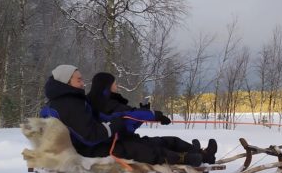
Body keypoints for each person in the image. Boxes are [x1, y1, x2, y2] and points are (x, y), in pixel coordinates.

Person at [42, 64, 214, 166]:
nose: (82, 82)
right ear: (66, 82)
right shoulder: (68, 104)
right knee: (143, 149)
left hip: (89, 145)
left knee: (149, 143)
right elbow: (91, 135)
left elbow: (95, 126)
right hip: (87, 150)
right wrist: (117, 123)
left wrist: (121, 122)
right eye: (78, 79)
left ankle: (197, 154)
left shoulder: (69, 101)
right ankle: (193, 158)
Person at [87, 71, 217, 164]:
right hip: (121, 144)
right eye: (114, 84)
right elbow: (128, 115)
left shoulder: (108, 102)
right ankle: (201, 157)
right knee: (161, 149)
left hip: (128, 139)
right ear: (106, 86)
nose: (117, 86)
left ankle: (199, 152)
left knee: (170, 140)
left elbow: (128, 124)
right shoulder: (103, 105)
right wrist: (154, 116)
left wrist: (143, 115)